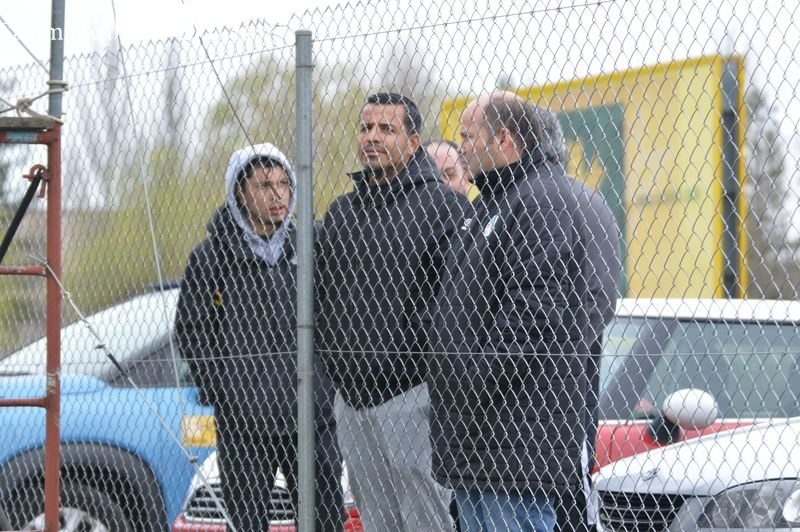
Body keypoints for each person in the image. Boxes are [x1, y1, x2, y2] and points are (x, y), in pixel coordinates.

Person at [426, 92, 591, 532]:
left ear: (502, 138)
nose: (460, 147)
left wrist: (468, 377)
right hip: (480, 434)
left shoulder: (539, 201)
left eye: (467, 136)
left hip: (514, 433)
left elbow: (535, 314)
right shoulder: (491, 203)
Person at [316, 92, 471, 531]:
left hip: (413, 396)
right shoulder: (342, 214)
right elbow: (323, 300)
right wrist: (339, 372)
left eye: (386, 129)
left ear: (414, 140)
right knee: (377, 520)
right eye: (366, 128)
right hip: (351, 402)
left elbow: (454, 305)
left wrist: (414, 367)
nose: (373, 137)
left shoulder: (445, 208)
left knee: (426, 519)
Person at [175, 143, 343, 532]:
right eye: (265, 185)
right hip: (244, 421)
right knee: (246, 521)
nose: (277, 194)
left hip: (311, 415)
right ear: (239, 192)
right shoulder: (211, 257)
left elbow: (338, 315)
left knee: (324, 519)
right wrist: (224, 391)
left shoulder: (312, 246)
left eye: (285, 183)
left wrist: (328, 383)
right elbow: (192, 330)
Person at [533, 105, 622, 532]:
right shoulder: (508, 205)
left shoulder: (583, 204)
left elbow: (599, 298)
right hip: (519, 391)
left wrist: (550, 352)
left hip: (564, 388)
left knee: (567, 501)